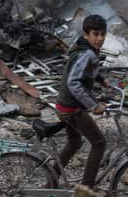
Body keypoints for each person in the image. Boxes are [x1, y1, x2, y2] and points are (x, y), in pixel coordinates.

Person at [54, 14, 110, 191]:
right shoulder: (86, 53)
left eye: (103, 34)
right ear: (86, 34)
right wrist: (95, 105)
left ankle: (50, 179)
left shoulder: (85, 48)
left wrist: (101, 79)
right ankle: (86, 188)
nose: (100, 38)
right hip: (71, 108)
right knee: (99, 143)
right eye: (96, 34)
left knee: (75, 142)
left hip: (64, 105)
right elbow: (74, 82)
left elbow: (87, 70)